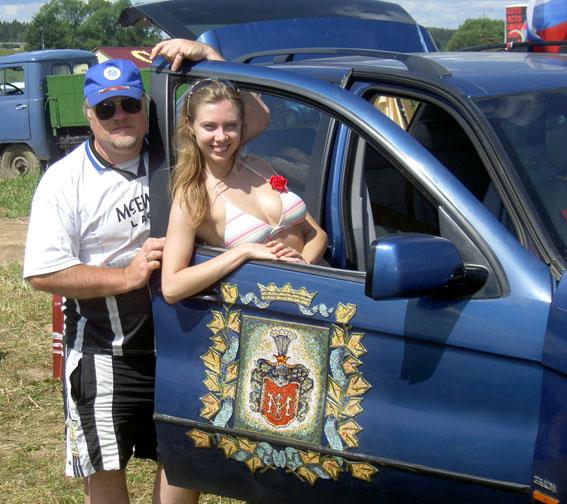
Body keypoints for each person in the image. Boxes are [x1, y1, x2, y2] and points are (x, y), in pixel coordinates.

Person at [23, 39, 269, 504]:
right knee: (105, 471)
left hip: (183, 344)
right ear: (89, 114)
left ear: (145, 107)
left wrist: (211, 58)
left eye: (130, 105)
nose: (120, 116)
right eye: (107, 108)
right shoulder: (64, 180)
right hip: (104, 352)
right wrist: (126, 276)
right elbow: (43, 272)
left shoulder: (175, 154)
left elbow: (251, 119)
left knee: (182, 466)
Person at [161, 78, 328, 304]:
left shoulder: (258, 166)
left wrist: (303, 267)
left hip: (318, 290)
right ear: (190, 126)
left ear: (241, 125)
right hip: (268, 306)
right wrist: (243, 252)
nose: (221, 137)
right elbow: (171, 287)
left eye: (231, 125)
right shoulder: (192, 196)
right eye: (209, 126)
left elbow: (317, 234)